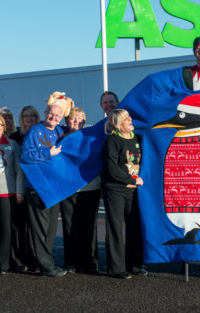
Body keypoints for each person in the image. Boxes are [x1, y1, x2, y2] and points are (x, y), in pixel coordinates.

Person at [21, 92, 73, 278]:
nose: (54, 117)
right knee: (40, 229)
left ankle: (43, 262)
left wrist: (68, 105)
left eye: (58, 115)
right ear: (45, 113)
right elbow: (25, 156)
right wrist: (47, 153)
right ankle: (46, 266)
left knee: (51, 229)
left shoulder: (60, 131)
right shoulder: (34, 131)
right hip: (38, 187)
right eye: (51, 113)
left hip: (54, 188)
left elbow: (75, 125)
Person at [102, 109, 145, 279]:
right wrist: (133, 180)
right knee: (115, 229)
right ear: (117, 124)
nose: (130, 120)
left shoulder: (137, 138)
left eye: (129, 117)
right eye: (126, 119)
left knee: (134, 227)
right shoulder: (111, 141)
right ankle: (116, 268)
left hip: (133, 191)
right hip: (115, 190)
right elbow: (112, 169)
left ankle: (134, 265)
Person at [60, 107, 102, 274]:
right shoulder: (59, 138)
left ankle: (90, 262)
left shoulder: (92, 137)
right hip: (67, 189)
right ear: (66, 121)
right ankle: (72, 262)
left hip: (90, 187)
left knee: (89, 226)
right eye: (72, 119)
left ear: (84, 121)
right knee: (70, 226)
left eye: (79, 119)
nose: (76, 122)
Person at [0, 113, 24, 275]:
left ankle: (4, 264)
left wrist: (20, 190)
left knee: (6, 229)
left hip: (8, 192)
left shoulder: (12, 144)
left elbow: (18, 168)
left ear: (4, 127)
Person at [9, 105, 40, 273]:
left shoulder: (41, 134)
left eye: (32, 115)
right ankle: (18, 259)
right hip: (19, 186)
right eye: (26, 115)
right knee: (18, 224)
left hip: (36, 185)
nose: (29, 118)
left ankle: (35, 259)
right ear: (21, 118)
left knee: (34, 226)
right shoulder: (15, 137)